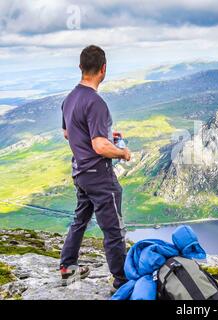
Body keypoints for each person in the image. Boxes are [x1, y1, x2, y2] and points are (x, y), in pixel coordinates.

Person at [59, 45, 131, 291]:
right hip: (98, 176)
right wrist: (122, 152)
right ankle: (122, 282)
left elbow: (68, 133)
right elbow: (100, 146)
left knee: (80, 220)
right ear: (103, 69)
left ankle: (68, 269)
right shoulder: (96, 103)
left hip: (80, 171)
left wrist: (99, 140)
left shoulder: (69, 99)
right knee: (114, 230)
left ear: (80, 68)